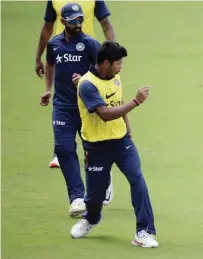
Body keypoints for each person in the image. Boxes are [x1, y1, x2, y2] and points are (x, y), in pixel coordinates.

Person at [70, 41, 158, 248]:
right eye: (118, 63)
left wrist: (128, 129)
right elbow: (105, 114)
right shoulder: (87, 84)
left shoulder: (115, 77)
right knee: (95, 195)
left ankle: (143, 231)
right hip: (96, 147)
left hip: (121, 142)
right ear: (106, 63)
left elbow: (117, 104)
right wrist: (136, 102)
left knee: (138, 180)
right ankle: (91, 219)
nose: (121, 67)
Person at [40, 3, 113, 218]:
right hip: (62, 107)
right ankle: (77, 198)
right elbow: (51, 64)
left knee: (93, 151)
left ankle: (102, 183)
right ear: (63, 22)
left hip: (86, 107)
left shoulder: (91, 44)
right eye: (73, 20)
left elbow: (104, 73)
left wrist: (85, 81)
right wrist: (48, 90)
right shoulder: (54, 45)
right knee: (63, 150)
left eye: (80, 19)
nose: (78, 23)